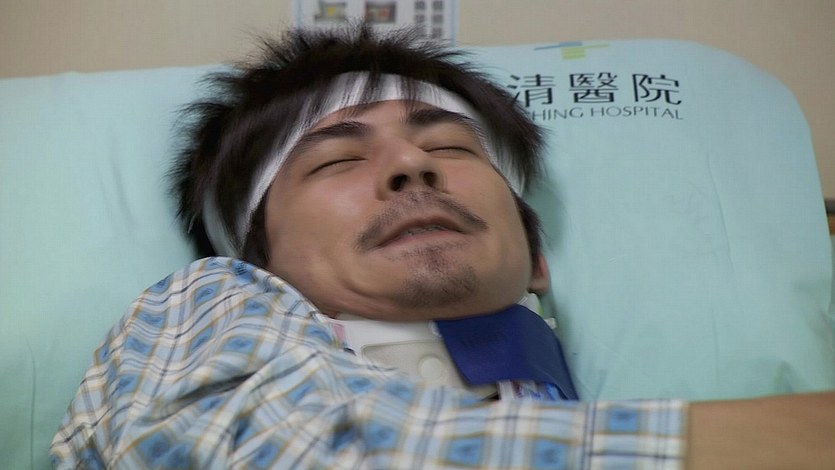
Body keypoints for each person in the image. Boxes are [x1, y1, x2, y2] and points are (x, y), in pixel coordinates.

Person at [51, 24, 834, 469]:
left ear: (536, 261)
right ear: (261, 258)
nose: (410, 164)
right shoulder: (203, 302)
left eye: (452, 149)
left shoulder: (563, 397)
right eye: (335, 160)